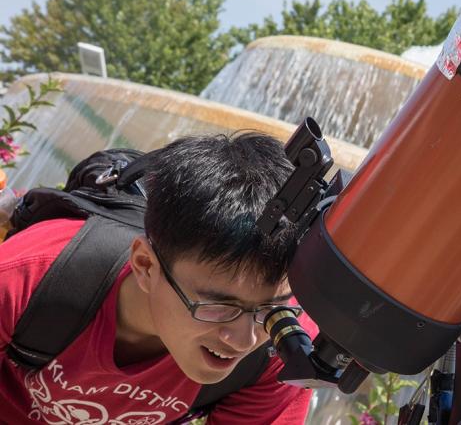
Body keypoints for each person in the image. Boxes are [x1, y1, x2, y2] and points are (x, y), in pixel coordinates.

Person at [0, 131, 318, 424]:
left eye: (270, 310)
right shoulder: (23, 277)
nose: (243, 339)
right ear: (145, 265)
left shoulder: (286, 349)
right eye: (220, 306)